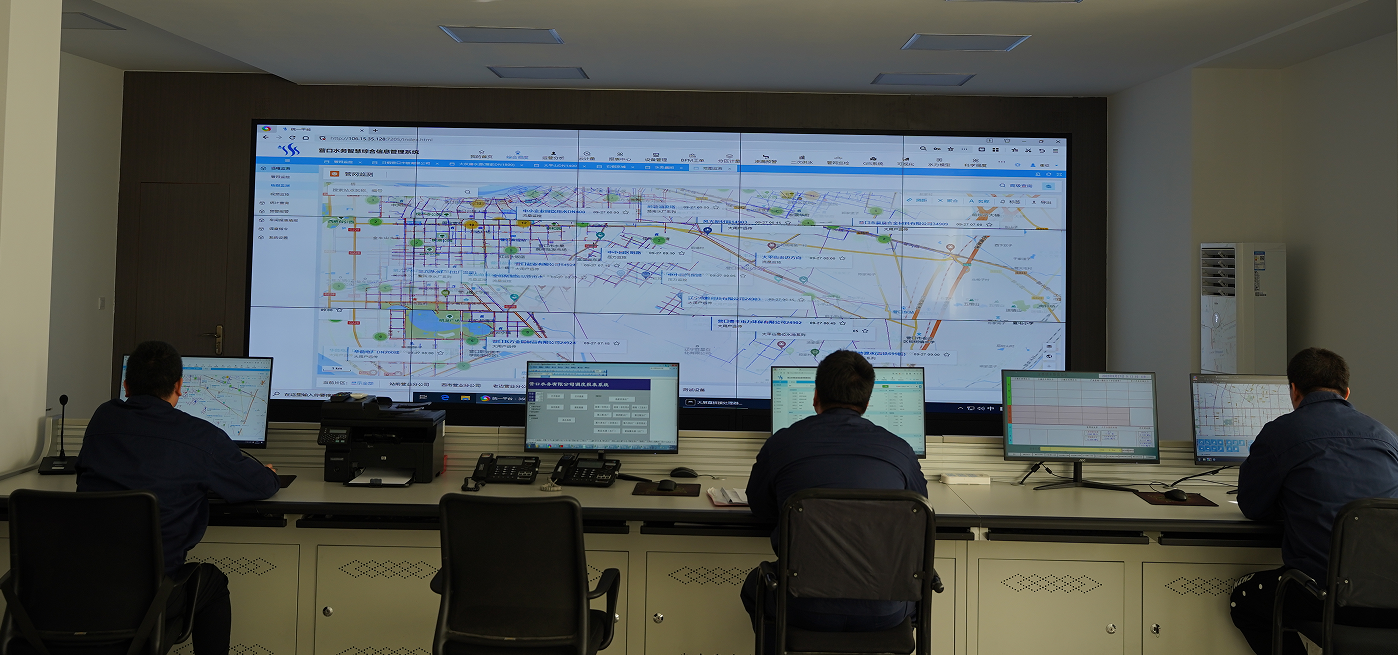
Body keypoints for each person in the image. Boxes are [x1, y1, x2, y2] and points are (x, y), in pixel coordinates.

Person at [78, 341, 281, 655]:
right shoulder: (199, 436)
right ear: (179, 386)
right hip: (152, 595)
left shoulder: (102, 418)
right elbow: (261, 486)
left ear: (126, 386)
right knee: (213, 583)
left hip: (81, 589)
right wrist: (267, 473)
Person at [741, 350, 928, 641]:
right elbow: (919, 515)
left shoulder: (781, 444)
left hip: (801, 607)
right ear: (866, 402)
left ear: (816, 395)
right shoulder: (900, 450)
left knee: (755, 587)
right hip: (884, 612)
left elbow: (762, 509)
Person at [1230, 347, 1398, 654]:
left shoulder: (1281, 432)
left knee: (1245, 599)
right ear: (1346, 392)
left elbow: (1253, 506)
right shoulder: (1387, 437)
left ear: (1294, 390)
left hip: (1325, 597)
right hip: (1390, 600)